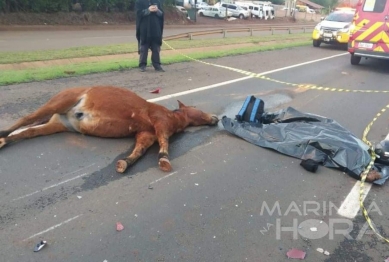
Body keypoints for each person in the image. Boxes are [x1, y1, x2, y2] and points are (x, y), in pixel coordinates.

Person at [135, 0, 165, 72]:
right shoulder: (139, 2)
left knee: (156, 47)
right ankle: (142, 65)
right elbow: (138, 13)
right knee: (144, 47)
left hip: (155, 28)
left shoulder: (157, 1)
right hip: (145, 29)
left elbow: (162, 14)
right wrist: (148, 10)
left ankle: (157, 64)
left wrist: (157, 10)